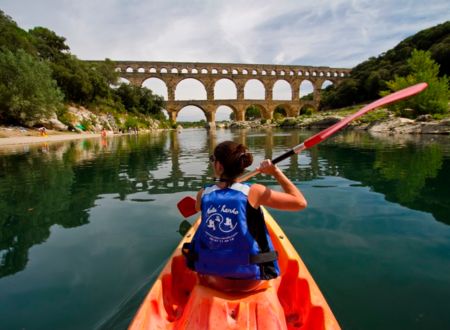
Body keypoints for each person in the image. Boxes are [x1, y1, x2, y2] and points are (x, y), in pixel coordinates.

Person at [183, 141, 307, 292]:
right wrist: (275, 172)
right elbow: (300, 203)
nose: (212, 163)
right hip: (250, 281)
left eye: (212, 159)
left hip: (212, 276)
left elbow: (197, 207)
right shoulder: (255, 192)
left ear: (219, 166)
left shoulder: (204, 193)